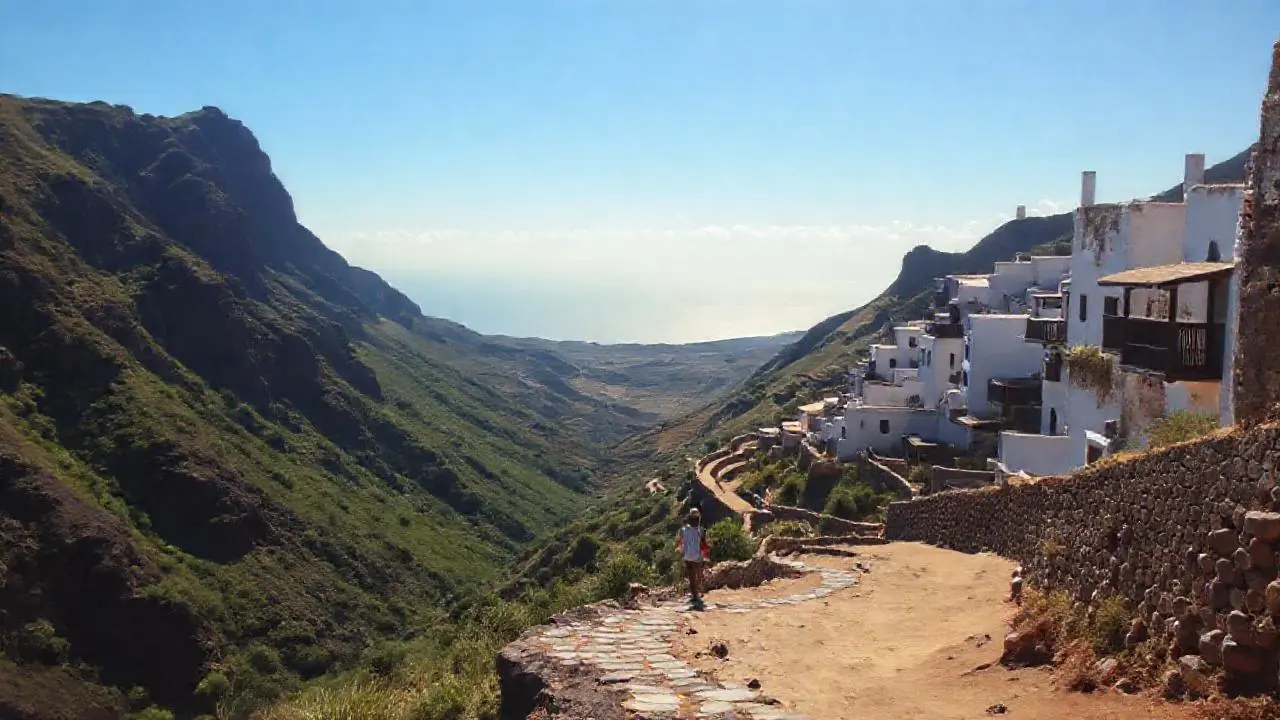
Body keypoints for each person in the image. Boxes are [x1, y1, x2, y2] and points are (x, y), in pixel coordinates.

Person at [677, 508, 709, 606]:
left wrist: (680, 549)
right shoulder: (702, 530)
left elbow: (681, 543)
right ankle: (699, 591)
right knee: (698, 574)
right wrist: (706, 555)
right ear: (698, 519)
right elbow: (704, 545)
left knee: (691, 577)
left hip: (687, 556)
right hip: (697, 557)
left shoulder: (683, 530)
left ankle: (695, 595)